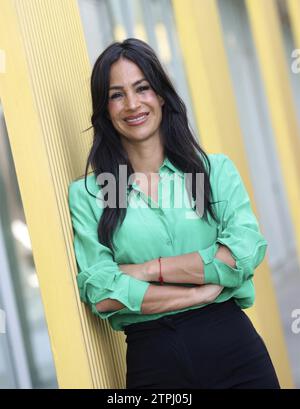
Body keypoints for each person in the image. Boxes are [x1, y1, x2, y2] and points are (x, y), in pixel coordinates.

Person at [68, 38, 280, 389]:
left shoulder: (214, 172)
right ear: (105, 109)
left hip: (234, 351)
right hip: (153, 362)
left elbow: (242, 253)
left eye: (142, 88)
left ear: (162, 95)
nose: (132, 104)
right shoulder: (90, 194)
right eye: (116, 94)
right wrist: (196, 293)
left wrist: (150, 270)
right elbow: (103, 290)